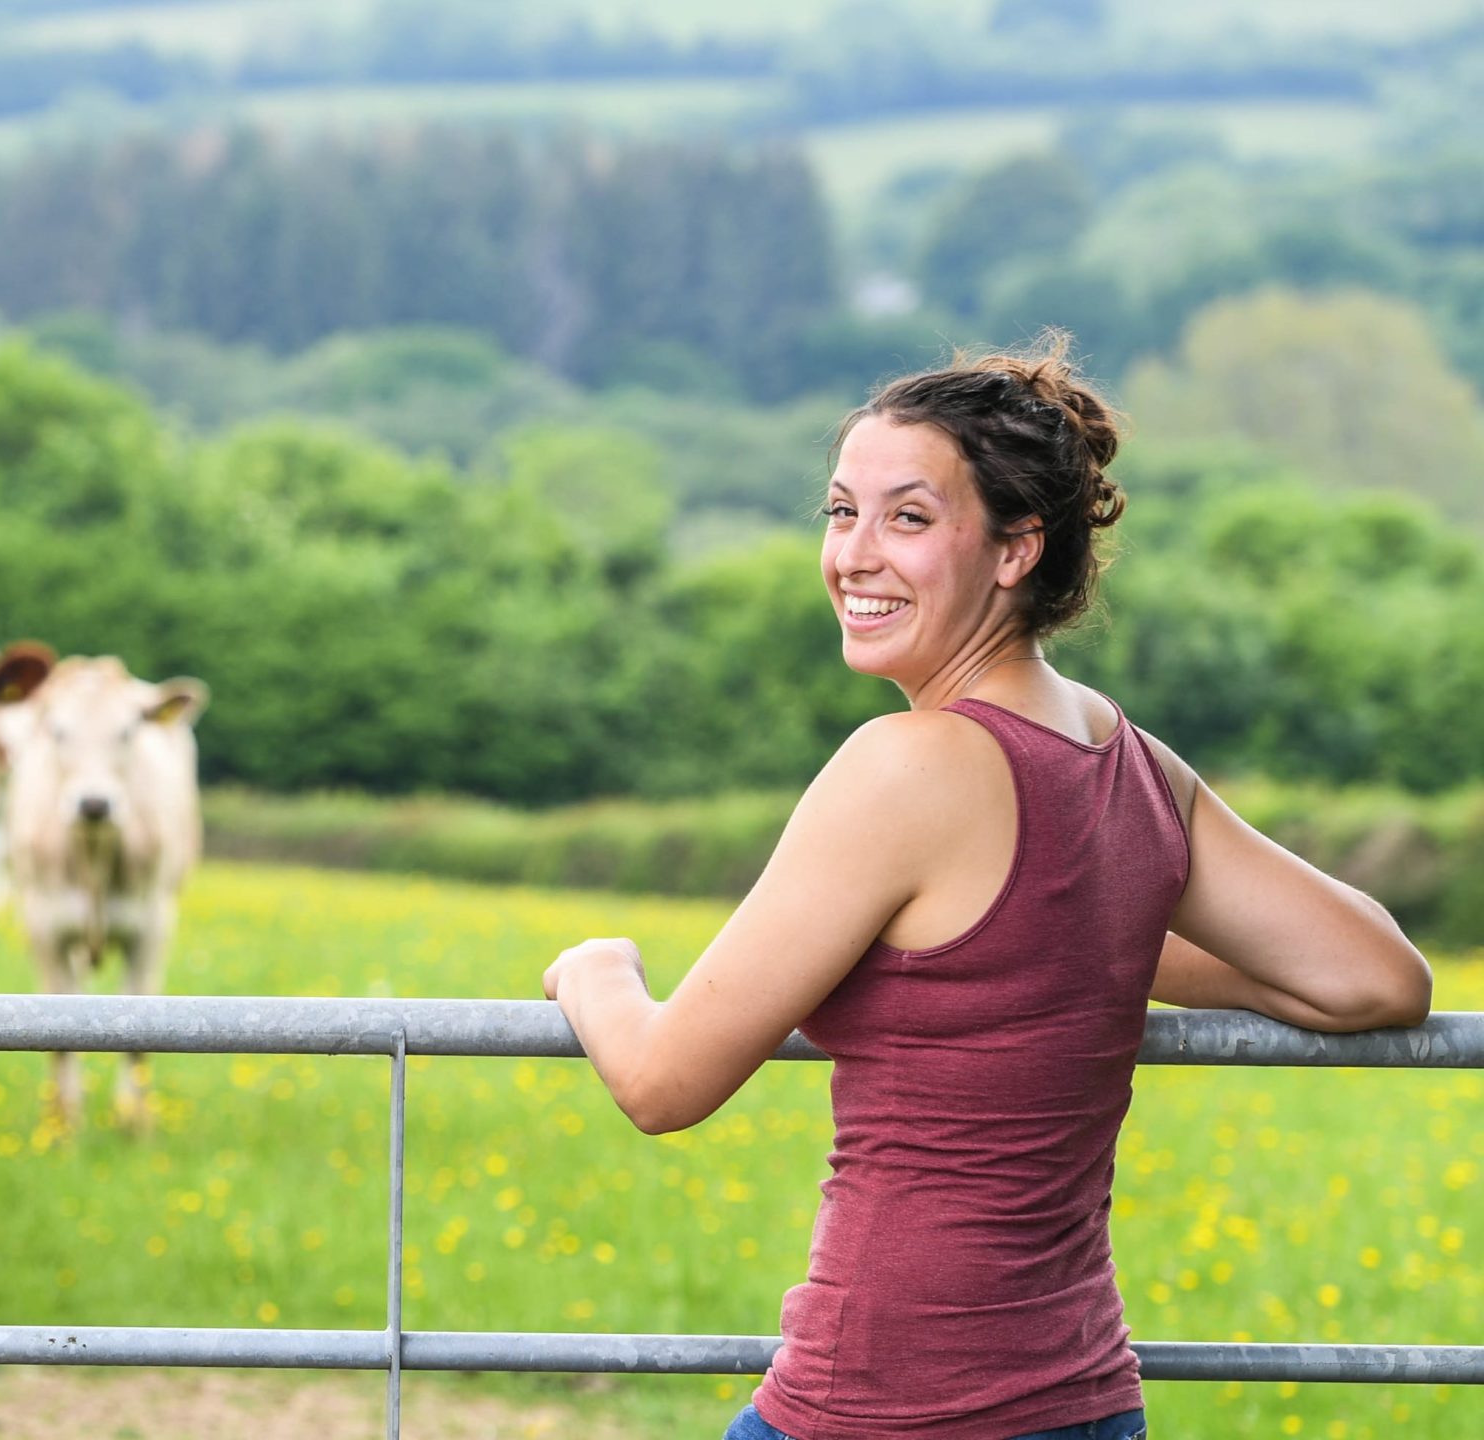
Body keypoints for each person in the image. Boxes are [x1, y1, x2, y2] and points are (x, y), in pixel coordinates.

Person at [539, 336, 1434, 1440]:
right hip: (1083, 1407)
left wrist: (596, 973)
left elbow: (663, 1083)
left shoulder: (903, 767)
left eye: (907, 519)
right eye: (839, 512)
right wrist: (1090, 944)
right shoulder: (1126, 759)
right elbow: (1374, 977)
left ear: (1016, 549)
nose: (854, 556)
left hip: (882, 1406)